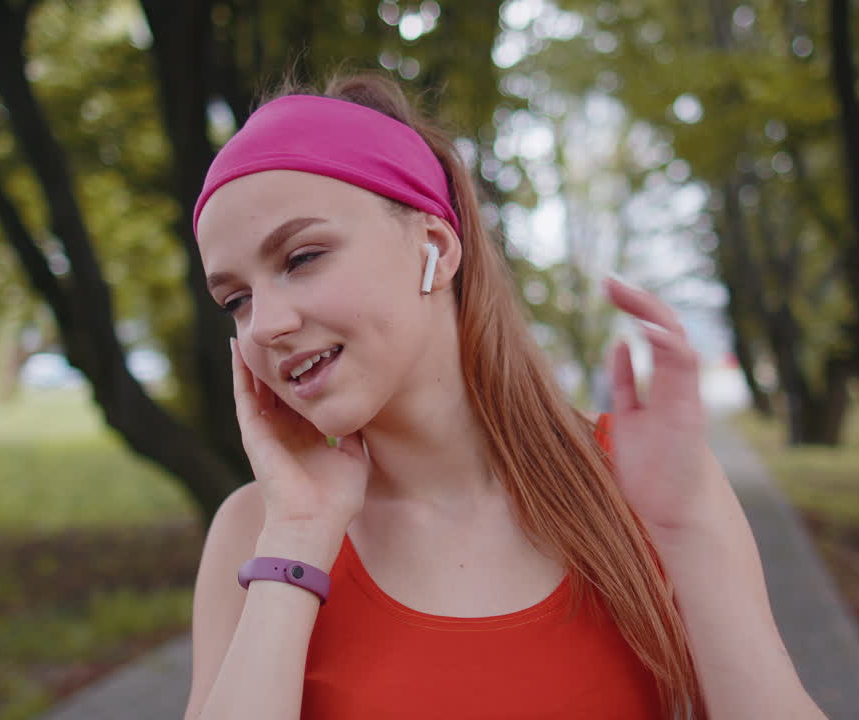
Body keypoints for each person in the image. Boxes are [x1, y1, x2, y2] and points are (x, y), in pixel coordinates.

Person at [184, 72, 825, 720]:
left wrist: (683, 526)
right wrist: (297, 537)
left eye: (301, 257)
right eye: (235, 299)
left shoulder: (648, 484)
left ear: (433, 246)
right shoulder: (255, 533)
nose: (264, 325)